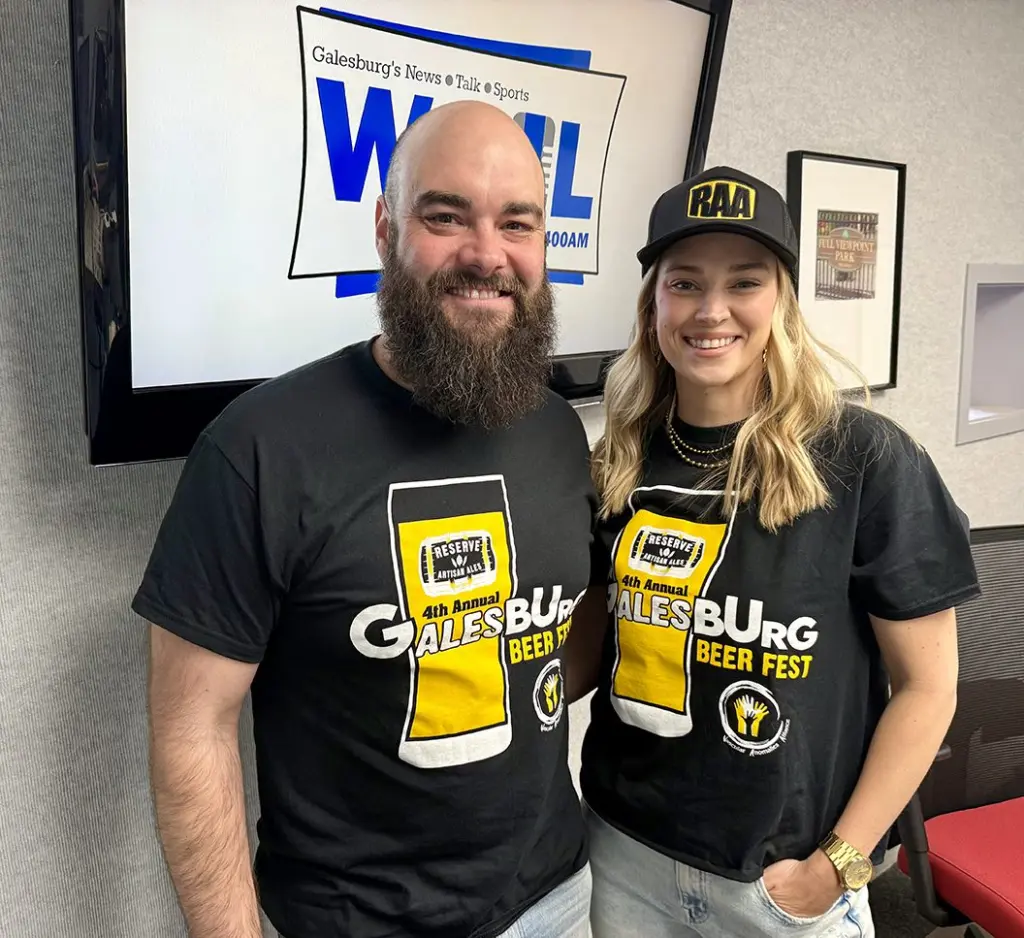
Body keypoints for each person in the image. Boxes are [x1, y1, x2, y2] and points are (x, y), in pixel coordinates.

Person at [134, 100, 607, 938]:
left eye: (517, 223)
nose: (486, 254)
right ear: (386, 228)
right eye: (445, 216)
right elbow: (189, 733)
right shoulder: (258, 447)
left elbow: (558, 642)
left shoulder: (559, 430)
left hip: (559, 900)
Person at [567, 166, 981, 937]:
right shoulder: (619, 459)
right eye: (684, 283)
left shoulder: (867, 461)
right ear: (652, 303)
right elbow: (598, 642)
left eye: (744, 282)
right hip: (624, 856)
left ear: (783, 301)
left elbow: (929, 689)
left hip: (781, 886)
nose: (711, 310)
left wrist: (839, 868)